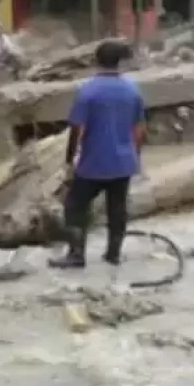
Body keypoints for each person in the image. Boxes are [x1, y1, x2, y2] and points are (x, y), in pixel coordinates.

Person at [49, 40, 145, 270]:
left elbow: (77, 129)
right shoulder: (132, 90)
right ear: (120, 62)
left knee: (75, 205)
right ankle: (113, 254)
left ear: (95, 60)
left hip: (94, 162)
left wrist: (69, 160)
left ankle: (76, 254)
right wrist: (135, 155)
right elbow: (140, 130)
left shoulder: (88, 91)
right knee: (118, 207)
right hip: (123, 162)